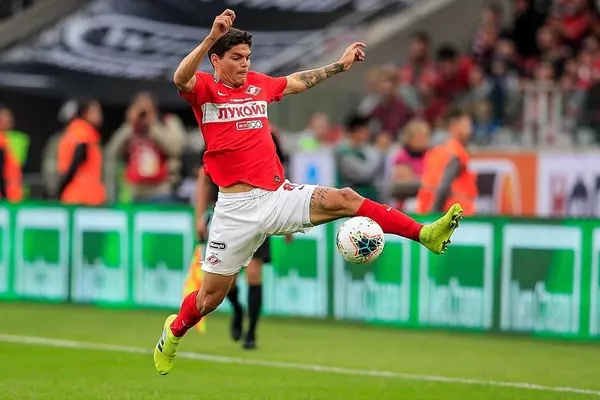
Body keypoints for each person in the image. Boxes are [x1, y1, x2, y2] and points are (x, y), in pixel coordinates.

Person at [154, 9, 463, 375]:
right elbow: (180, 77)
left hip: (276, 196)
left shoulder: (258, 84)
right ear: (216, 60)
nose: (244, 64)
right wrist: (210, 37)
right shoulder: (205, 90)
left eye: (248, 57)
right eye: (236, 57)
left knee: (346, 198)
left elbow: (297, 81)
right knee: (209, 299)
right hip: (234, 210)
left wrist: (340, 65)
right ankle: (173, 333)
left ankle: (425, 234)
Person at [197, 131, 291, 350]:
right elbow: (204, 178)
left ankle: (252, 332)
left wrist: (288, 221)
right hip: (228, 216)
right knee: (228, 281)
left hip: (259, 212)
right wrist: (199, 217)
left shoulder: (267, 135)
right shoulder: (220, 130)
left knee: (254, 273)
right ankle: (238, 310)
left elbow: (279, 174)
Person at [416, 109, 478, 216]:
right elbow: (444, 186)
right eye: (467, 124)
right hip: (452, 214)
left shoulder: (437, 149)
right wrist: (434, 215)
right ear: (455, 125)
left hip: (428, 211)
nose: (470, 129)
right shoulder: (456, 152)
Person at [56, 99, 105, 206]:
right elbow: (78, 158)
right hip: (82, 195)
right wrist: (62, 186)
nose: (100, 115)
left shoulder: (75, 131)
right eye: (95, 111)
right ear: (85, 113)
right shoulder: (82, 130)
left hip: (79, 194)